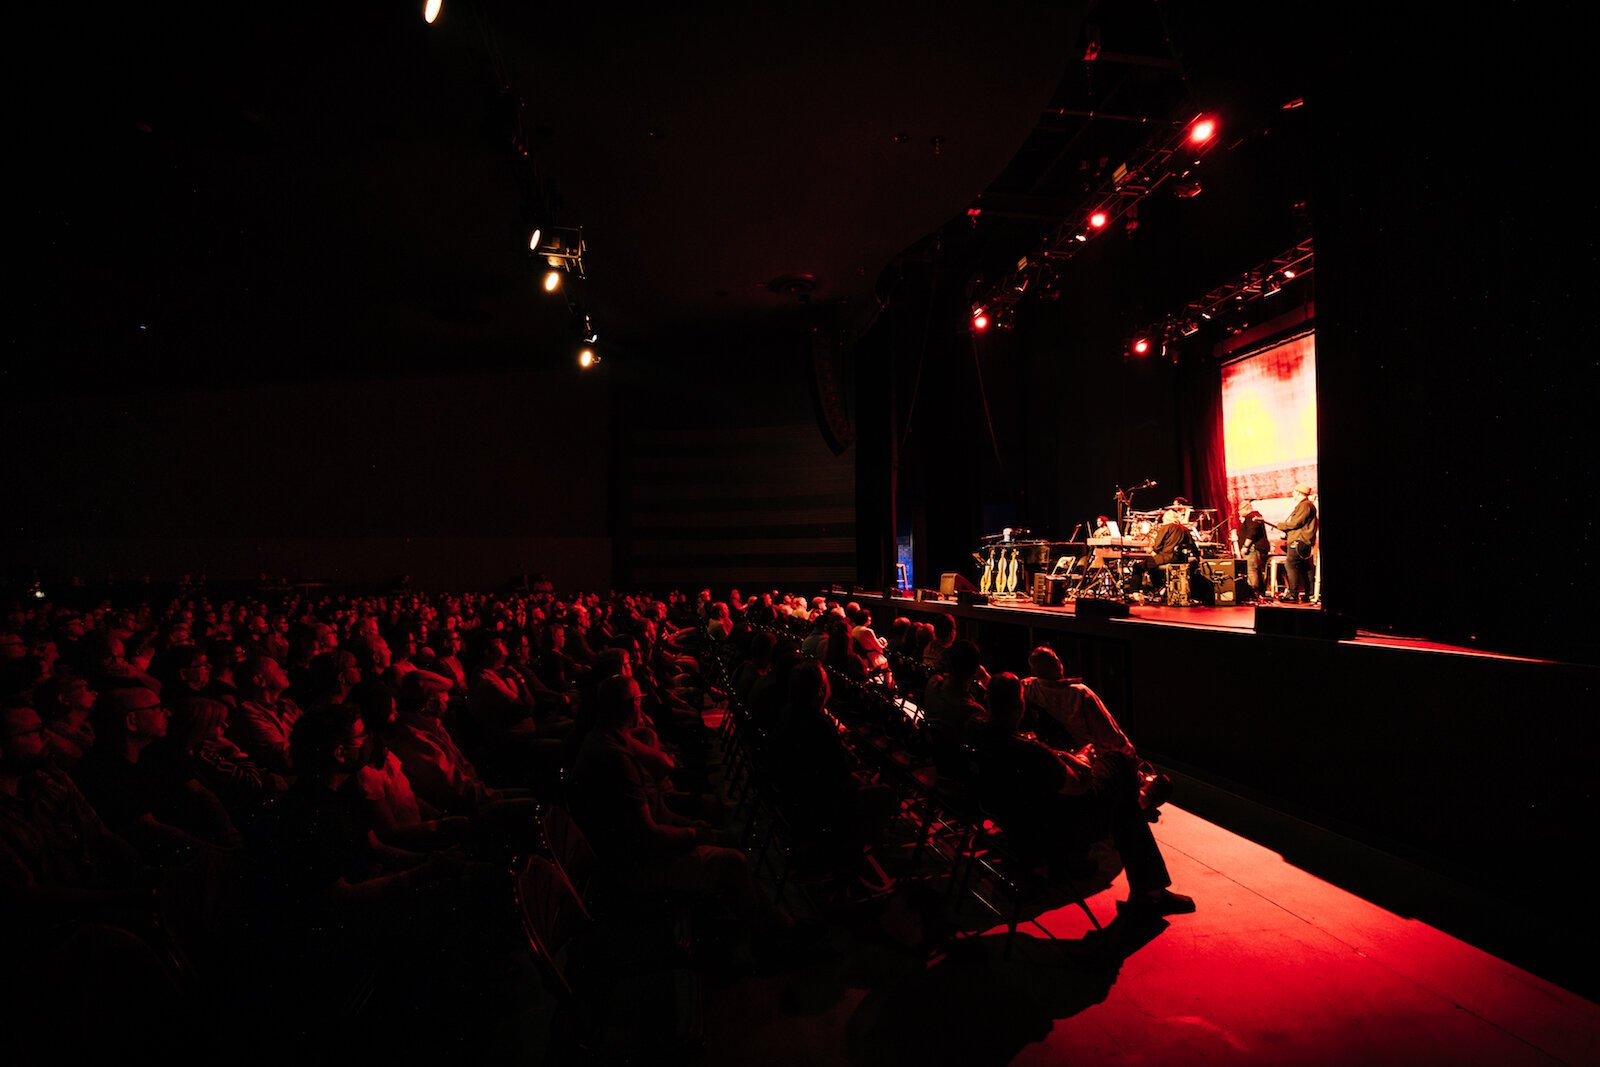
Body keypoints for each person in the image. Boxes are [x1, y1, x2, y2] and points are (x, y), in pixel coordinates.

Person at [972, 674, 1194, 916]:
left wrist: (1061, 756)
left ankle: (1148, 886)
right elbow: (1078, 785)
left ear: (987, 701)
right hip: (1057, 829)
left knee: (1125, 805)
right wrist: (1083, 758)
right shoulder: (1029, 753)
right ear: (1020, 706)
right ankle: (1149, 885)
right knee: (1118, 763)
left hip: (1015, 824)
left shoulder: (977, 732)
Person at [1279, 483, 1318, 604]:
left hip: (1298, 541)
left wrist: (1280, 525)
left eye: (1294, 491)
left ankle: (1293, 594)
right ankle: (1309, 593)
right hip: (1303, 540)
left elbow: (1296, 523)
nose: (1292, 494)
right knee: (1304, 568)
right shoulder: (1307, 505)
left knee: (1290, 565)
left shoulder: (1305, 505)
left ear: (1298, 493)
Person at [1237, 502, 1273, 600]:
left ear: (1245, 508)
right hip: (1258, 548)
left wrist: (1245, 546)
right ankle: (1260, 593)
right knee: (1256, 571)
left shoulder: (1251, 517)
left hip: (1253, 548)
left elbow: (1252, 532)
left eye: (1239, 510)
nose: (1238, 512)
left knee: (1251, 570)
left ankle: (1254, 593)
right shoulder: (1255, 516)